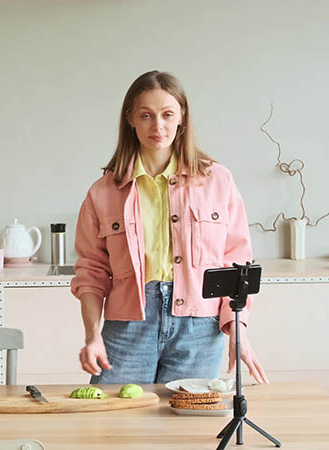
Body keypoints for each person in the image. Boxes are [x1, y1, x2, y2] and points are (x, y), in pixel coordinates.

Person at [70, 71, 269, 385]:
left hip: (199, 330)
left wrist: (237, 331)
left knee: (185, 428)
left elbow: (237, 266)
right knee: (114, 428)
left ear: (182, 118)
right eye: (146, 115)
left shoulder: (218, 181)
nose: (157, 126)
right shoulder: (103, 192)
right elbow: (91, 272)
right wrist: (93, 335)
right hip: (126, 329)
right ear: (130, 119)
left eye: (167, 115)